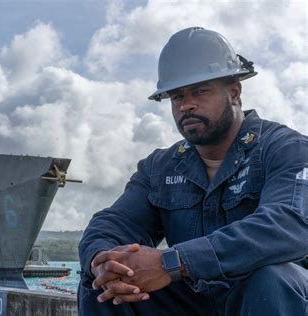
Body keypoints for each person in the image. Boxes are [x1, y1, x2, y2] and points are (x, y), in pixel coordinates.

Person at [78, 27, 308, 315]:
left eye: (200, 92)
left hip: (269, 298)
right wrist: (102, 260)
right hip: (197, 299)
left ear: (235, 92)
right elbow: (113, 222)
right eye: (176, 96)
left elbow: (289, 225)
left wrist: (173, 263)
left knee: (273, 280)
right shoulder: (161, 167)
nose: (186, 105)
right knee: (107, 286)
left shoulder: (286, 148)